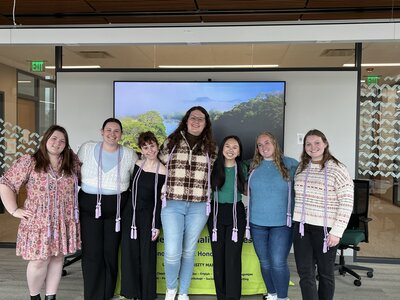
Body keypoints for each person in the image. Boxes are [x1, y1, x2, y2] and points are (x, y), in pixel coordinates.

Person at [0, 125, 80, 300]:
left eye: (62, 141)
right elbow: (6, 183)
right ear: (45, 139)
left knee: (58, 258)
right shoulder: (30, 161)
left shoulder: (70, 163)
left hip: (62, 220)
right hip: (38, 222)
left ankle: (51, 297)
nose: (57, 143)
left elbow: (87, 178)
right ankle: (34, 296)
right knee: (39, 260)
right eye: (54, 138)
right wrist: (13, 210)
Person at [159, 106, 217, 300]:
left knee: (189, 251)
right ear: (186, 120)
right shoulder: (171, 142)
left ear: (206, 124)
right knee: (172, 252)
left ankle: (183, 293)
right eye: (193, 118)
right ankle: (171, 290)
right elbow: (156, 164)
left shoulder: (212, 148)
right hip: (172, 204)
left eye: (201, 119)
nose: (196, 122)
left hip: (199, 206)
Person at [78, 118, 138, 300]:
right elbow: (72, 171)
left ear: (121, 134)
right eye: (109, 130)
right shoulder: (87, 148)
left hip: (117, 211)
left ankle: (107, 293)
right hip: (89, 208)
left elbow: (136, 180)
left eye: (117, 131)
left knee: (110, 252)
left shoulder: (129, 154)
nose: (112, 134)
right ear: (101, 131)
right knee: (91, 252)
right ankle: (92, 294)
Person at [292, 129, 354, 300]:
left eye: (317, 143)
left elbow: (347, 202)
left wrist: (337, 231)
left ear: (325, 144)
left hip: (326, 230)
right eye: (308, 144)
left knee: (326, 274)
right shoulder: (301, 168)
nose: (313, 147)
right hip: (302, 228)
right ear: (304, 147)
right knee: (305, 274)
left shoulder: (338, 169)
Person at [247, 132, 298, 300]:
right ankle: (272, 294)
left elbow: (305, 187)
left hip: (282, 223)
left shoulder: (290, 164)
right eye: (260, 145)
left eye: (267, 142)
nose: (264, 147)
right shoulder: (253, 166)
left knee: (278, 262)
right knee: (265, 262)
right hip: (256, 223)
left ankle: (282, 298)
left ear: (275, 143)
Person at [120, 131, 166, 300]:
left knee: (147, 256)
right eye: (145, 147)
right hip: (130, 216)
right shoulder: (138, 164)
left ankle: (146, 295)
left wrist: (157, 225)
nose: (149, 150)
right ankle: (130, 292)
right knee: (129, 254)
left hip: (149, 218)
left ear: (157, 145)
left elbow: (160, 202)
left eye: (152, 146)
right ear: (141, 149)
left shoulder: (163, 171)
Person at [207, 135, 247, 300]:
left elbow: (247, 190)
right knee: (218, 257)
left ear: (239, 152)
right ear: (222, 148)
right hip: (216, 213)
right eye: (227, 146)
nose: (231, 150)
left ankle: (232, 297)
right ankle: (221, 297)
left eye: (235, 147)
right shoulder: (213, 166)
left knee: (232, 258)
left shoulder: (243, 168)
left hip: (236, 213)